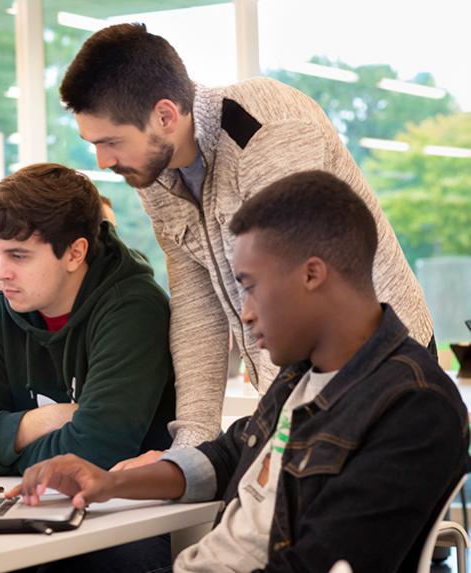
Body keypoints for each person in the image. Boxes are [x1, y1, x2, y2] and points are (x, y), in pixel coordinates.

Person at [9, 170, 470, 572]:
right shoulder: (301, 377)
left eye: (250, 287)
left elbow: (322, 561)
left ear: (312, 274)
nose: (245, 314)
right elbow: (229, 454)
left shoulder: (413, 404)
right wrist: (110, 483)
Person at [60, 23, 434, 455]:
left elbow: (299, 291)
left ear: (165, 115)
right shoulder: (153, 172)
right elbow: (196, 305)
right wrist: (191, 441)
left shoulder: (267, 132)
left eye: (111, 142)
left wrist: (279, 429)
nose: (103, 161)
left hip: (376, 368)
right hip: (294, 386)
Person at [0, 163, 176, 476]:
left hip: (123, 517)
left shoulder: (133, 311)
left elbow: (95, 451)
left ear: (75, 253)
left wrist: (0, 452)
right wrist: (39, 421)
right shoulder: (2, 313)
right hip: (31, 507)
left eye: (18, 255)